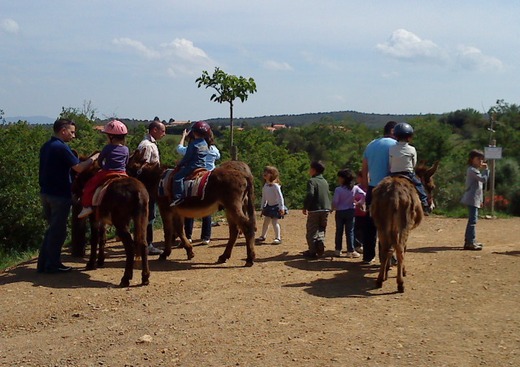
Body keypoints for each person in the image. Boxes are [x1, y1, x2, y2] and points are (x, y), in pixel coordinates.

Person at [38, 118, 98, 273]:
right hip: (59, 194)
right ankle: (52, 264)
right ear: (63, 130)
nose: (73, 135)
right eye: (72, 132)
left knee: (52, 228)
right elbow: (78, 168)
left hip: (46, 192)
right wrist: (93, 158)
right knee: (58, 230)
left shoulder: (46, 146)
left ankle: (43, 263)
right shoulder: (61, 147)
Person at [361, 120, 397, 264]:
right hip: (390, 189)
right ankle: (386, 256)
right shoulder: (396, 146)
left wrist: (366, 186)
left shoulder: (371, 144)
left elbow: (364, 169)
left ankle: (368, 256)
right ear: (393, 131)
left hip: (373, 188)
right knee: (389, 223)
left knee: (370, 223)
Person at [177, 126, 220, 244]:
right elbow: (218, 156)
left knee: (189, 201)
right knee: (207, 207)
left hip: (196, 174)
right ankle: (206, 237)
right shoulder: (213, 149)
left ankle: (188, 235)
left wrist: (183, 137)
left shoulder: (194, 146)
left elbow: (180, 149)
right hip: (209, 176)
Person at [78, 120, 129, 219]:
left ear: (111, 137)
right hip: (123, 173)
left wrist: (102, 166)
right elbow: (126, 162)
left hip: (108, 172)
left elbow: (100, 160)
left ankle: (87, 206)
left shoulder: (107, 147)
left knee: (90, 185)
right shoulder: (126, 149)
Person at [137, 119, 166, 255]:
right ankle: (147, 244)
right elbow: (143, 166)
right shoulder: (147, 146)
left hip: (148, 184)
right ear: (154, 130)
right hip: (148, 185)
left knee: (149, 214)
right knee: (149, 215)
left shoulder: (149, 144)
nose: (164, 134)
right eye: (162, 131)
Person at [389, 122, 430, 212]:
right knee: (419, 185)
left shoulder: (391, 148)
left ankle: (371, 204)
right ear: (409, 137)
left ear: (396, 136)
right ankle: (424, 202)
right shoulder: (412, 149)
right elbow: (414, 163)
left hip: (393, 174)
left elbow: (390, 162)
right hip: (408, 174)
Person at [170, 121, 210, 207]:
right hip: (203, 166)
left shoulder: (193, 144)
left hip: (193, 166)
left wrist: (180, 164)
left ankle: (178, 197)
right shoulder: (205, 143)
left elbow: (187, 157)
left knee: (177, 177)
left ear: (194, 132)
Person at [332, 169, 365, 258]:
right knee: (350, 231)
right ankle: (350, 250)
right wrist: (359, 203)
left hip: (340, 211)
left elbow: (335, 201)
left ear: (343, 179)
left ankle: (338, 250)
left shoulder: (338, 189)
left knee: (339, 231)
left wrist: (333, 207)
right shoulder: (355, 188)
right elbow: (364, 195)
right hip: (351, 210)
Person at [460, 149, 489, 251]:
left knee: (473, 220)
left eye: (482, 159)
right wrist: (486, 170)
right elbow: (483, 180)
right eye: (479, 159)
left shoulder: (474, 170)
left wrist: (480, 200)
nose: (481, 162)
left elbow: (479, 187)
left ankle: (471, 240)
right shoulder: (472, 170)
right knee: (472, 221)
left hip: (475, 199)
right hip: (471, 199)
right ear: (472, 159)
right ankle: (470, 242)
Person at [302, 161, 331, 259]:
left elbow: (310, 194)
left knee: (311, 231)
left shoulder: (312, 181)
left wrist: (306, 206)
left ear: (314, 170)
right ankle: (321, 241)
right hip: (325, 208)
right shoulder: (325, 181)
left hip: (315, 208)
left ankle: (312, 251)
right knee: (321, 228)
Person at [256, 166, 286, 245]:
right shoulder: (265, 186)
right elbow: (264, 198)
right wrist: (262, 207)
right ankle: (263, 236)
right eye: (264, 172)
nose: (265, 174)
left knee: (274, 222)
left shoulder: (276, 186)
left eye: (267, 173)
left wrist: (281, 207)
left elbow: (280, 197)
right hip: (269, 207)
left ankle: (278, 238)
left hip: (276, 207)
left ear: (272, 175)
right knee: (266, 222)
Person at [354, 170, 368, 254]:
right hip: (357, 212)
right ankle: (358, 245)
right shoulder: (356, 187)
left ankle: (363, 245)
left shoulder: (370, 188)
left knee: (365, 230)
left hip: (366, 213)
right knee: (357, 230)